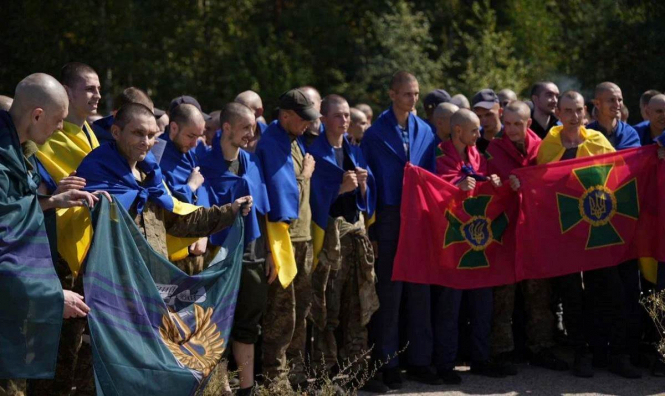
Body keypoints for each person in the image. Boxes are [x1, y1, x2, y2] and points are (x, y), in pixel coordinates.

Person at [0, 73, 96, 396]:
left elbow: (17, 210)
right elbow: (5, 242)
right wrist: (53, 296)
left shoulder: (17, 151)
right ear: (37, 115)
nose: (60, 130)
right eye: (58, 122)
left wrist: (53, 201)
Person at [512, 91, 617, 378]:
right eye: (568, 111)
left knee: (599, 290)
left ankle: (602, 350)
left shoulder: (598, 142)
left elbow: (619, 176)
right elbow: (540, 186)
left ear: (586, 113)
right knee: (571, 294)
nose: (573, 116)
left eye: (578, 111)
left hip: (595, 230)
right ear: (559, 113)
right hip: (564, 231)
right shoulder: (549, 146)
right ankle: (580, 351)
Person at [361, 71, 441, 389]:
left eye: (417, 94)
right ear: (392, 94)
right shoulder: (374, 134)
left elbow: (433, 179)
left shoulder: (426, 131)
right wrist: (375, 229)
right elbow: (372, 180)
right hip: (390, 216)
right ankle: (388, 361)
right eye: (407, 94)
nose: (413, 100)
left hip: (418, 217)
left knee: (420, 291)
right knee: (390, 294)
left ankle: (420, 359)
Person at [31, 62, 104, 396]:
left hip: (91, 250)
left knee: (83, 354)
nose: (97, 95)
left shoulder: (93, 134)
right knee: (55, 357)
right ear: (66, 90)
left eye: (99, 89)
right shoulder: (45, 138)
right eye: (89, 88)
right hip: (55, 253)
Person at [485, 101, 568, 373]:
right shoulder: (493, 150)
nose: (510, 129)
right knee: (503, 297)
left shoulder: (543, 148)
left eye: (517, 124)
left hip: (535, 234)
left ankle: (542, 347)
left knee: (540, 294)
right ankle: (502, 352)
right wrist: (503, 186)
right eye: (506, 124)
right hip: (505, 235)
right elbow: (486, 189)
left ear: (528, 123)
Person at [308, 95, 384, 392]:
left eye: (347, 116)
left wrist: (364, 185)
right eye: (337, 116)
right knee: (327, 308)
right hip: (329, 242)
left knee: (358, 305)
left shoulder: (354, 151)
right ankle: (325, 374)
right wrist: (340, 188)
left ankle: (357, 371)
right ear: (323, 119)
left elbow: (367, 199)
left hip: (356, 240)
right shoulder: (315, 153)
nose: (343, 121)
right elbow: (312, 200)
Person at [198, 102, 273, 396]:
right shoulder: (204, 162)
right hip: (217, 257)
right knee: (215, 322)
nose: (250, 134)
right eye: (245, 127)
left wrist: (269, 253)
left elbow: (264, 210)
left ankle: (247, 388)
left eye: (253, 128)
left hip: (253, 254)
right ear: (226, 127)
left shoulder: (252, 163)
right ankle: (219, 386)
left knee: (248, 323)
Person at [433, 109, 504, 384]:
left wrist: (492, 182)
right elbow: (436, 187)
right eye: (474, 130)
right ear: (459, 131)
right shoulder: (440, 154)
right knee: (450, 305)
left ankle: (480, 358)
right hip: (453, 238)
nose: (480, 134)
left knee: (482, 302)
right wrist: (457, 184)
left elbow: (482, 184)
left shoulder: (479, 155)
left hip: (478, 238)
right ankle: (445, 362)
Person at [255, 89, 318, 389]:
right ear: (285, 116)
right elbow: (277, 194)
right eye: (303, 119)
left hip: (301, 237)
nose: (308, 124)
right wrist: (305, 175)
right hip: (283, 240)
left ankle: (296, 373)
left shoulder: (294, 138)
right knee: (282, 314)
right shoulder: (272, 143)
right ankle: (275, 380)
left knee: (301, 310)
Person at [584, 82, 642, 378]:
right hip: (594, 227)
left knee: (626, 292)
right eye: (610, 99)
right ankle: (598, 351)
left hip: (624, 228)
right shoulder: (586, 134)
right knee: (597, 292)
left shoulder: (630, 134)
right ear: (597, 102)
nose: (617, 103)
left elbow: (626, 170)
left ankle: (622, 353)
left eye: (620, 98)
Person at [159, 103, 213, 275]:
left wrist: (204, 231)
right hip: (170, 252)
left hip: (195, 247)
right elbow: (164, 200)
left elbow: (201, 188)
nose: (194, 143)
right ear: (173, 127)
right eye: (190, 136)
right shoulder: (157, 154)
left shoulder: (189, 152)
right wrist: (190, 187)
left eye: (198, 136)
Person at [471, 89, 503, 153]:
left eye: (488, 114)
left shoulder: (511, 137)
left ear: (500, 112)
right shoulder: (472, 141)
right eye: (479, 116)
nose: (483, 120)